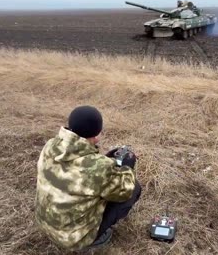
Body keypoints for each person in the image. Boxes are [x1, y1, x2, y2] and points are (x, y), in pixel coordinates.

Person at [34, 105, 141, 252]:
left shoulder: (50, 145)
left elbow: (77, 170)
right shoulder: (99, 167)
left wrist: (104, 160)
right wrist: (128, 167)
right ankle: (95, 239)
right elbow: (125, 190)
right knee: (134, 187)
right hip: (73, 240)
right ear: (97, 135)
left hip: (45, 224)